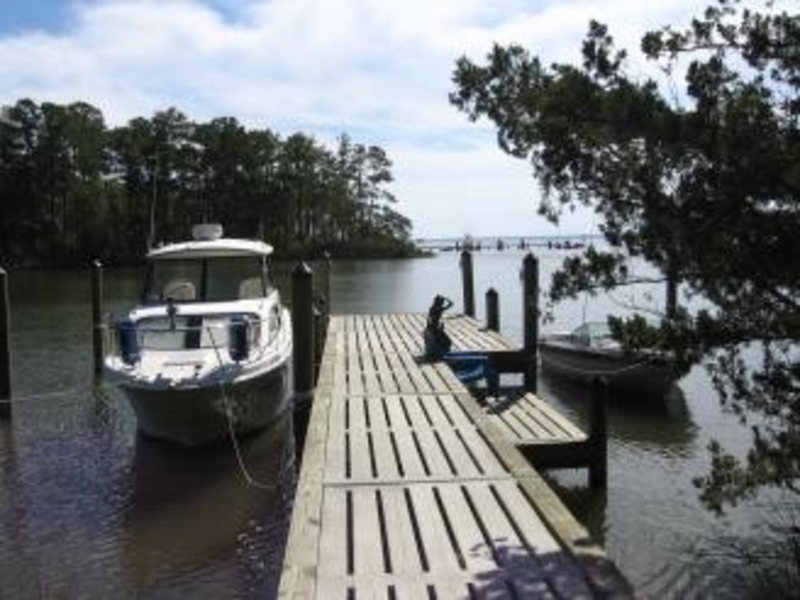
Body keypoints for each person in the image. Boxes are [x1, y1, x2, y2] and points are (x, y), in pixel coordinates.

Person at [424, 295, 453, 359]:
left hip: (433, 328)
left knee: (446, 341)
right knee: (448, 342)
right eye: (441, 302)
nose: (442, 303)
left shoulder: (432, 308)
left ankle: (441, 352)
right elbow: (451, 304)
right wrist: (446, 298)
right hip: (435, 329)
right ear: (439, 302)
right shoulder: (439, 308)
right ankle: (442, 354)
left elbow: (429, 320)